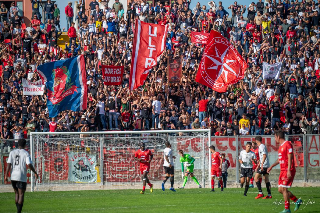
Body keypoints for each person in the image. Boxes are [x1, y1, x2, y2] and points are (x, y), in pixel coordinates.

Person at [268, 130, 302, 213]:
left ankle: (287, 209)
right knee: (280, 190)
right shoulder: (281, 146)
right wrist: (272, 166)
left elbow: (290, 157)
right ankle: (297, 201)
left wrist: (289, 170)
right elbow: (280, 159)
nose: (275, 139)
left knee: (284, 189)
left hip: (287, 170)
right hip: (282, 170)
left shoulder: (287, 144)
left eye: (275, 137)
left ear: (278, 137)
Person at [5, 139, 38, 213]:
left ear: (18, 144)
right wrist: (35, 172)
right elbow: (29, 164)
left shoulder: (12, 152)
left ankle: (17, 210)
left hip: (13, 175)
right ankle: (18, 212)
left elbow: (9, 164)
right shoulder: (25, 153)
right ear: (25, 145)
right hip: (21, 176)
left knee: (16, 193)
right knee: (21, 194)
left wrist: (6, 175)